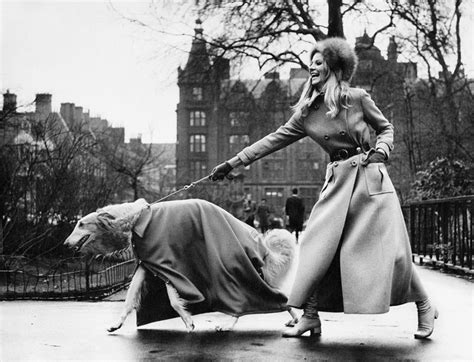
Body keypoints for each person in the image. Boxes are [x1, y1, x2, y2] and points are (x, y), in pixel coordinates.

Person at [210, 37, 437, 340]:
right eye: (311, 62)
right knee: (316, 244)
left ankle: (424, 304)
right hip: (337, 182)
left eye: (318, 62)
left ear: (334, 67)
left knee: (390, 253)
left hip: (369, 179)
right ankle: (311, 316)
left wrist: (383, 148)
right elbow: (272, 139)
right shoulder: (306, 112)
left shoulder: (357, 98)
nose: (312, 67)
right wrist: (232, 163)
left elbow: (386, 128)